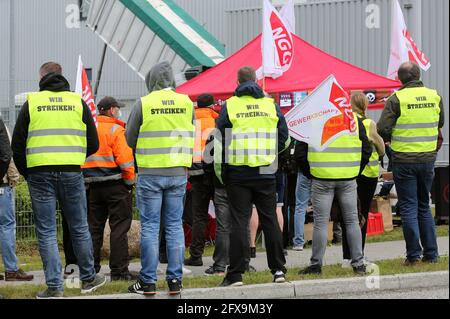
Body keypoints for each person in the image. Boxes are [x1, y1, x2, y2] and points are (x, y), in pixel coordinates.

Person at [11, 62, 106, 298]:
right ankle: (88, 277)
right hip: (72, 172)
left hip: (39, 174)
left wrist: (28, 172)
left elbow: (17, 145)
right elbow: (94, 143)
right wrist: (73, 158)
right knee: (79, 227)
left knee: (46, 231)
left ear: (41, 77)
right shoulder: (77, 102)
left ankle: (54, 287)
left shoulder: (32, 103)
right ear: (61, 76)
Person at [126, 61, 195, 295]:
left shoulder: (144, 103)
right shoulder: (186, 102)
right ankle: (175, 280)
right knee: (175, 226)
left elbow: (129, 138)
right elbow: (191, 131)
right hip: (177, 172)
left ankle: (148, 281)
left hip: (150, 173)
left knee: (150, 228)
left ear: (151, 79)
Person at [216, 66, 289, 287]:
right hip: (266, 169)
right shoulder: (270, 105)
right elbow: (285, 139)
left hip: (238, 171)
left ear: (237, 82)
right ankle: (278, 270)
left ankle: (236, 274)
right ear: (256, 81)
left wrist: (221, 174)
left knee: (240, 221)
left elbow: (219, 142)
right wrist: (270, 154)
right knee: (269, 219)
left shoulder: (230, 105)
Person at [377, 62, 445, 265]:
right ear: (418, 75)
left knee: (408, 207)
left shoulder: (396, 99)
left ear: (400, 79)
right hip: (427, 159)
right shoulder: (435, 96)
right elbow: (439, 123)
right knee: (424, 206)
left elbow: (382, 128)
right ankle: (432, 255)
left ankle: (413, 256)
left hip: (404, 160)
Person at [296, 109, 372, 275]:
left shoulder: (313, 119)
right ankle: (359, 263)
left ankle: (316, 265)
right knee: (352, 220)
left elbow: (300, 153)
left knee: (321, 222)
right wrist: (355, 171)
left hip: (322, 177)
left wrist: (311, 173)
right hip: (347, 178)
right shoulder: (353, 119)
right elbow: (366, 148)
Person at [82, 96, 137, 281]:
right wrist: (130, 183)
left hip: (92, 186)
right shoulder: (116, 129)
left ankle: (91, 270)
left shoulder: (89, 128)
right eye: (117, 108)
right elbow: (126, 160)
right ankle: (119, 272)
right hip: (115, 185)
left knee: (93, 229)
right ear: (112, 110)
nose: (118, 111)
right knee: (119, 228)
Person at [341, 93, 385, 263]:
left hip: (348, 172)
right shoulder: (368, 124)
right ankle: (359, 254)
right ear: (365, 106)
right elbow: (381, 149)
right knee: (362, 214)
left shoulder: (345, 122)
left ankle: (346, 255)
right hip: (367, 175)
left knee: (348, 214)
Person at [184, 94, 219, 267]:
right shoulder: (217, 121)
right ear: (212, 106)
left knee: (199, 216)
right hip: (214, 173)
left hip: (196, 174)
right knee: (222, 215)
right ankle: (221, 256)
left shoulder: (190, 123)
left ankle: (196, 255)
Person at [0, 123, 34, 281]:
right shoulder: (1, 124)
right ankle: (11, 270)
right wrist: (13, 178)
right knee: (6, 226)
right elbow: (8, 155)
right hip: (2, 185)